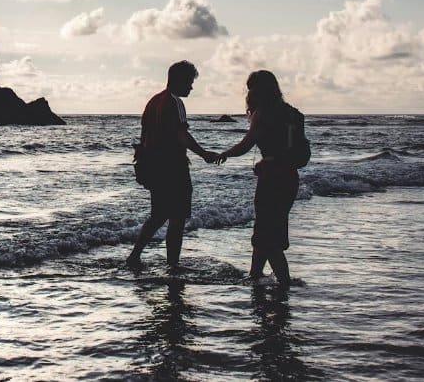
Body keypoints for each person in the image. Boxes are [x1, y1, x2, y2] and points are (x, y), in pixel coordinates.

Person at [127, 60, 217, 272]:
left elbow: (144, 136)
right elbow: (181, 134)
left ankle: (135, 255)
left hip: (154, 167)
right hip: (173, 168)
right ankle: (173, 265)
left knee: (158, 215)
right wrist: (203, 154)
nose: (191, 87)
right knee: (176, 219)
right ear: (179, 80)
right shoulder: (175, 102)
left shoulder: (153, 102)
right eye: (189, 82)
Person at [214, 70, 301, 284]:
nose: (249, 92)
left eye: (251, 87)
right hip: (290, 178)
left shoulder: (263, 113)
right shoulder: (293, 114)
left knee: (266, 236)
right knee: (269, 231)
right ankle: (254, 277)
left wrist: (224, 154)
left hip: (272, 180)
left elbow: (246, 144)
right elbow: (293, 149)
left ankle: (284, 283)